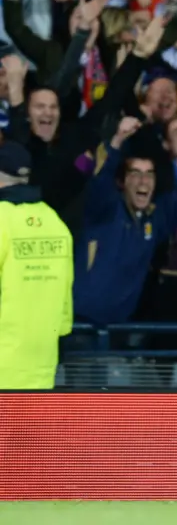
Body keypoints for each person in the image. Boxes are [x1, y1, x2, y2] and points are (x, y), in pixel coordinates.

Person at [0, 139, 73, 389]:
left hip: (3, 363)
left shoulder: (2, 220)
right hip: (42, 363)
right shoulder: (55, 221)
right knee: (29, 429)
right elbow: (65, 305)